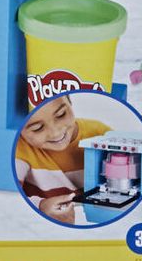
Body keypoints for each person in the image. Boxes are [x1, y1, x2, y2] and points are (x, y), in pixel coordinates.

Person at [14, 95, 109, 225]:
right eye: (37, 128)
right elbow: (11, 199)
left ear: (70, 101)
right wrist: (41, 205)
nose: (56, 133)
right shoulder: (18, 147)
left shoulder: (101, 134)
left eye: (61, 115)